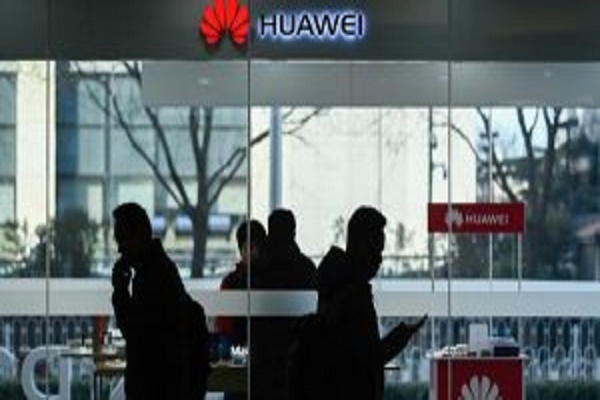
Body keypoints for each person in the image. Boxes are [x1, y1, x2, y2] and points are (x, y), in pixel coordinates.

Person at [312, 206, 426, 400]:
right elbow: (369, 358)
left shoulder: (334, 284)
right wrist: (402, 335)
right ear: (361, 247)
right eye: (376, 250)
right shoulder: (354, 295)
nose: (379, 259)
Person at [111, 203, 207, 400]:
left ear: (139, 235)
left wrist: (120, 292)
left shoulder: (153, 278)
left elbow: (136, 335)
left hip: (157, 389)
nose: (120, 248)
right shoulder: (159, 270)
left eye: (122, 239)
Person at [250, 209, 317, 400]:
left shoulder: (258, 270)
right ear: (293, 232)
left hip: (263, 358)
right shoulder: (305, 268)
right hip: (296, 358)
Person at [215, 219, 267, 348]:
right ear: (241, 250)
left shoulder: (271, 278)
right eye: (250, 247)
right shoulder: (231, 281)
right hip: (239, 348)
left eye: (258, 247)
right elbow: (224, 324)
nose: (255, 253)